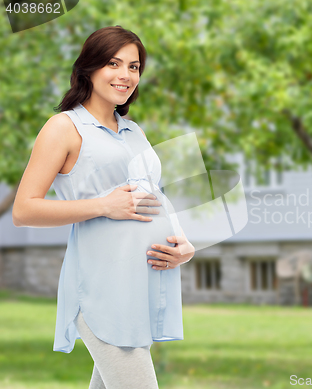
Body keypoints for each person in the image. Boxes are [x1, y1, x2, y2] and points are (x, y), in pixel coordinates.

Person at [12, 26, 195, 388]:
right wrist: (102, 205)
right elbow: (23, 210)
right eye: (114, 63)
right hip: (102, 292)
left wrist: (183, 244)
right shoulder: (63, 128)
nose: (126, 75)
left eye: (134, 66)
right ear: (89, 68)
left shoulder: (134, 131)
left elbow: (155, 195)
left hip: (138, 289)